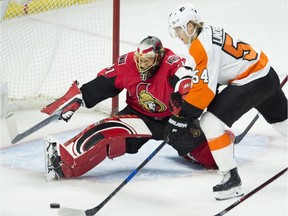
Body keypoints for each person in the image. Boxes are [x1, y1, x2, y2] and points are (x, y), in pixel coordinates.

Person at [42, 36, 218, 182]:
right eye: (140, 59)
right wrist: (80, 98)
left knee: (213, 159)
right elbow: (104, 83)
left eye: (147, 60)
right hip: (138, 115)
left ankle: (191, 152)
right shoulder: (127, 64)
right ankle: (63, 163)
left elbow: (186, 79)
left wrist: (184, 103)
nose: (142, 64)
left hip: (170, 121)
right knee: (107, 130)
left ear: (159, 57)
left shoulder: (170, 63)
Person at [166, 3, 287, 201]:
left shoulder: (201, 47)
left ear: (189, 26)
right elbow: (210, 75)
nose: (177, 34)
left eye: (178, 29)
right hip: (265, 74)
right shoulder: (205, 32)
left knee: (209, 123)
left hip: (251, 82)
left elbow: (205, 92)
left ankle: (231, 180)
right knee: (284, 124)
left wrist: (183, 117)